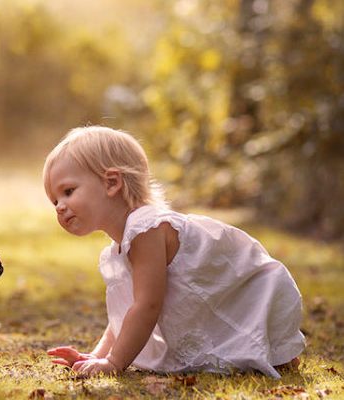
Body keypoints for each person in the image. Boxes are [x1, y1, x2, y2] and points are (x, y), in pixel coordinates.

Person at [43, 126, 304, 378]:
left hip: (248, 291)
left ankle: (276, 350)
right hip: (214, 300)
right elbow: (125, 312)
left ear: (112, 183)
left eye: (68, 192)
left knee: (246, 339)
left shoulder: (146, 229)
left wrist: (113, 362)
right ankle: (271, 353)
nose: (59, 206)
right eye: (55, 200)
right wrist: (97, 356)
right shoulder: (122, 244)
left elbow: (147, 306)